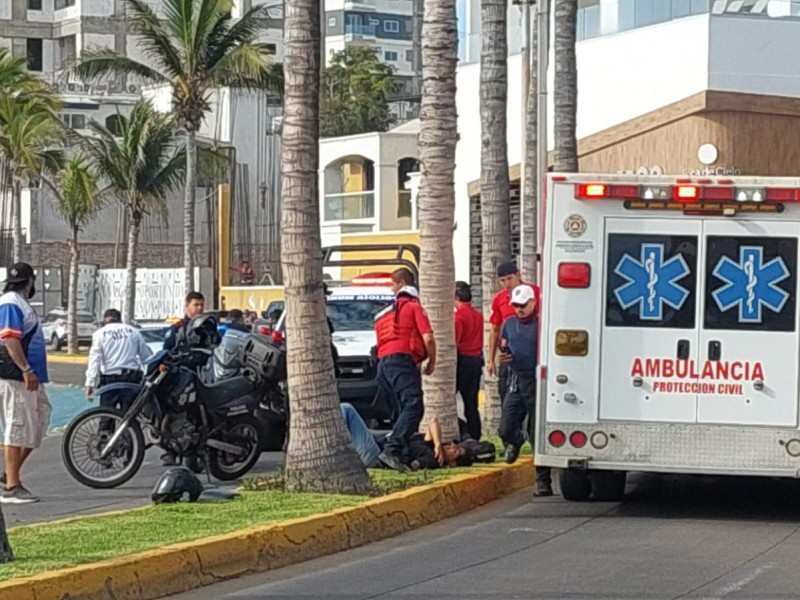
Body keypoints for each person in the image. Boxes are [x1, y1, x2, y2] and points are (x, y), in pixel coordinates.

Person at [373, 268, 436, 472]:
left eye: (392, 284)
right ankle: (392, 450)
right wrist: (432, 361)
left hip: (383, 364)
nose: (391, 288)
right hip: (401, 361)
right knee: (414, 406)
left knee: (399, 410)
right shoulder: (413, 307)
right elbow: (428, 337)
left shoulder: (385, 313)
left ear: (400, 284)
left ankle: (400, 455)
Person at [0, 263, 51, 504]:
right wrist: (26, 369)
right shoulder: (10, 302)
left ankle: (9, 474)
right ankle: (12, 486)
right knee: (18, 426)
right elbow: (10, 340)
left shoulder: (19, 302)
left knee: (38, 424)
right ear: (30, 281)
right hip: (16, 376)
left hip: (30, 377)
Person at [499, 284, 552, 497]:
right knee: (505, 427)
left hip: (537, 380)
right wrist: (503, 357)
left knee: (537, 433)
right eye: (516, 305)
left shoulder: (542, 323)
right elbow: (503, 345)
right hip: (515, 381)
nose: (519, 309)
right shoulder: (509, 324)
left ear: (533, 303)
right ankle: (515, 440)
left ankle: (543, 482)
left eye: (523, 305)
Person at [161, 291, 206, 467]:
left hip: (200, 378)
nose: (199, 308)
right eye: (196, 305)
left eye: (202, 305)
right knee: (170, 413)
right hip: (178, 378)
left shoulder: (206, 327)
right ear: (186, 306)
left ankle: (194, 456)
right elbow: (166, 351)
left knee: (198, 417)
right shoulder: (177, 328)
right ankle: (169, 451)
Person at [487, 261, 541, 404]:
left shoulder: (536, 292)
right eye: (502, 281)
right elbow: (495, 329)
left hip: (532, 356)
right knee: (506, 394)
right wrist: (491, 359)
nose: (506, 283)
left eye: (509, 278)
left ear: (518, 275)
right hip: (510, 356)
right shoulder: (499, 299)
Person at [85, 308, 152, 401]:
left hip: (109, 380)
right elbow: (146, 357)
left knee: (108, 413)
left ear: (105, 320)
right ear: (120, 320)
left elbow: (95, 359)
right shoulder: (134, 332)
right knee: (130, 413)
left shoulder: (99, 334)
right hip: (131, 378)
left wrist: (90, 384)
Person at [454, 281, 483, 441]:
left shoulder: (458, 317)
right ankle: (475, 435)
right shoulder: (477, 315)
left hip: (463, 360)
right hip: (476, 360)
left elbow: (456, 341)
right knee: (471, 403)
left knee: (451, 398)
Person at [209, 308, 249, 381]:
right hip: (232, 367)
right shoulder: (241, 329)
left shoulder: (219, 325)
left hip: (215, 365)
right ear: (240, 318)